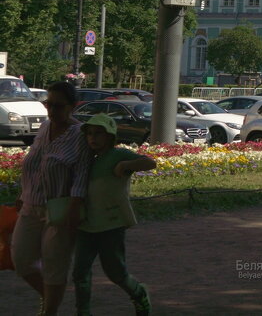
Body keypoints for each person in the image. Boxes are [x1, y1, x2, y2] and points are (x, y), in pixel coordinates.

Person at [12, 81, 91, 315]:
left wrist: (75, 207)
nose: (52, 110)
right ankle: (50, 300)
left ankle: (50, 311)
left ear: (73, 107)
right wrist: (21, 191)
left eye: (59, 106)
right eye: (49, 104)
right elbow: (34, 163)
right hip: (30, 205)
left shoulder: (80, 134)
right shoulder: (45, 127)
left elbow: (82, 174)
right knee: (22, 260)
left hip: (59, 209)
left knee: (55, 266)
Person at [74, 114, 155, 316]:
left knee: (115, 272)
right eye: (89, 134)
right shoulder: (86, 159)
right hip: (85, 224)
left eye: (99, 133)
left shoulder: (118, 154)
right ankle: (83, 311)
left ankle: (138, 293)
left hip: (111, 225)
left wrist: (126, 165)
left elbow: (149, 163)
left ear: (110, 136)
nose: (93, 138)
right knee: (79, 273)